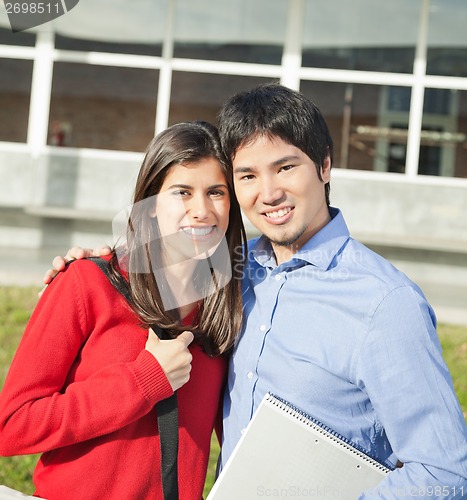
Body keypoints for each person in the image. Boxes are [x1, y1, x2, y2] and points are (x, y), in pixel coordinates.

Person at [42, 84, 467, 499]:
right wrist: (87, 265)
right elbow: (145, 258)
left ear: (324, 166)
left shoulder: (385, 303)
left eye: (285, 167)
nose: (269, 193)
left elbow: (445, 473)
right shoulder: (231, 279)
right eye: (247, 175)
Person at [0, 121, 247, 500]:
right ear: (148, 206)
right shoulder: (87, 282)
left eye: (216, 192)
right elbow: (11, 425)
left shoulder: (227, 308)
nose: (201, 210)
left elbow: (238, 439)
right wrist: (143, 381)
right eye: (182, 191)